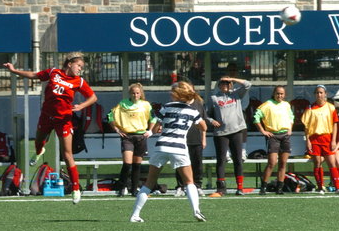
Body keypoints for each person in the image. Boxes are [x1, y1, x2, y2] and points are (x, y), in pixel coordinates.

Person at [3, 52, 98, 204]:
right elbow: (34, 75)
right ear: (69, 64)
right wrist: (14, 71)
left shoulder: (79, 81)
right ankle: (39, 151)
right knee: (38, 142)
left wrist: (81, 106)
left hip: (63, 120)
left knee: (67, 154)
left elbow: (93, 97)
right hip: (47, 116)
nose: (80, 69)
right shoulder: (54, 72)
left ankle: (75, 188)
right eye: (79, 66)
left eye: (82, 67)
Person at [129, 81, 207, 223]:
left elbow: (155, 128)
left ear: (176, 95)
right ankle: (196, 210)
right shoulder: (192, 111)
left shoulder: (166, 107)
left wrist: (160, 128)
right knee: (189, 181)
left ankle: (135, 214)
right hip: (179, 148)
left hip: (162, 146)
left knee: (149, 182)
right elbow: (203, 127)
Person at [107, 83, 157, 197]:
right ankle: (121, 188)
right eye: (133, 93)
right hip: (127, 137)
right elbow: (110, 116)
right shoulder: (123, 104)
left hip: (141, 137)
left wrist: (150, 131)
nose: (135, 95)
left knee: (137, 165)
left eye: (137, 93)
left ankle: (134, 190)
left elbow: (153, 118)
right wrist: (116, 129)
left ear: (141, 93)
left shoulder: (145, 105)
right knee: (127, 164)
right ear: (130, 93)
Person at [206, 76, 252, 196]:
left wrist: (232, 79)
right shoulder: (214, 98)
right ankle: (221, 188)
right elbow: (206, 114)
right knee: (221, 160)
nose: (225, 85)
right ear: (219, 85)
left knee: (238, 160)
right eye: (222, 83)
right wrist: (212, 121)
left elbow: (248, 84)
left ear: (230, 85)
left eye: (227, 84)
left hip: (236, 131)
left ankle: (240, 188)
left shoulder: (236, 94)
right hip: (221, 133)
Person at [301, 85, 339, 194]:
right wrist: (308, 140)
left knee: (331, 163)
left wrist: (333, 140)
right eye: (317, 93)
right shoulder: (310, 108)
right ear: (314, 94)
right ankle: (320, 186)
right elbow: (306, 127)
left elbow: (335, 124)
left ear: (325, 94)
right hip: (314, 139)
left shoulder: (331, 107)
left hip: (327, 138)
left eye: (321, 92)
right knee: (317, 162)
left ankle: (338, 187)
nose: (319, 95)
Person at [253, 85, 294, 195]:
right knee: (272, 162)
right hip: (273, 136)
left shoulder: (286, 105)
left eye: (282, 94)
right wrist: (263, 131)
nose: (279, 96)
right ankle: (263, 187)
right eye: (277, 93)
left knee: (283, 163)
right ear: (274, 94)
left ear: (284, 95)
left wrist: (290, 128)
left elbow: (291, 117)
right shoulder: (267, 104)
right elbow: (256, 117)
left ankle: (279, 188)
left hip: (285, 135)